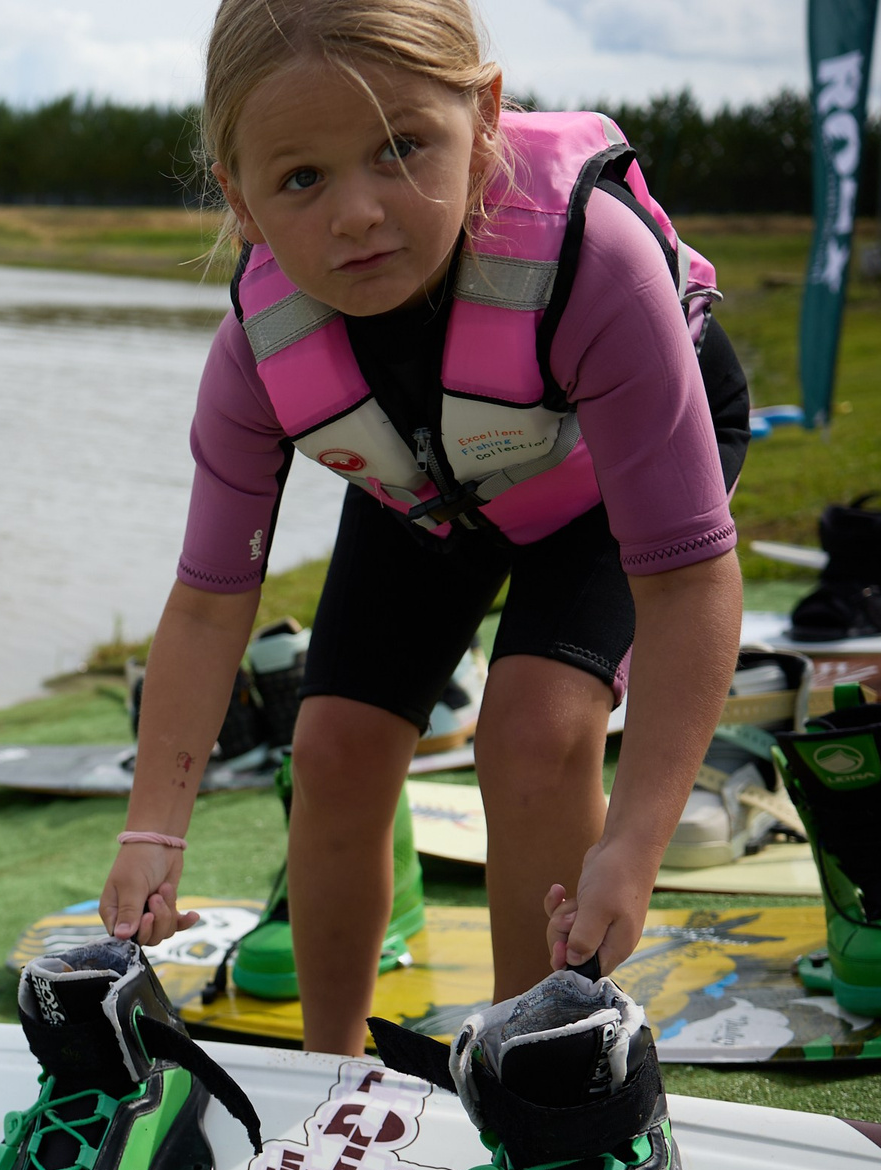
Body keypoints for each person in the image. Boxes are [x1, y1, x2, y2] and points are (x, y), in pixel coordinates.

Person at [101, 0, 748, 1055]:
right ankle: (329, 1076)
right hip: (439, 480)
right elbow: (212, 598)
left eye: (401, 148)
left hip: (606, 474)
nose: (357, 213)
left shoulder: (596, 268)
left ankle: (535, 1085)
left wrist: (631, 842)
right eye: (302, 178)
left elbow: (685, 585)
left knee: (533, 727)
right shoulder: (256, 353)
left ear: (483, 120)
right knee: (334, 746)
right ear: (242, 201)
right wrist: (151, 829)